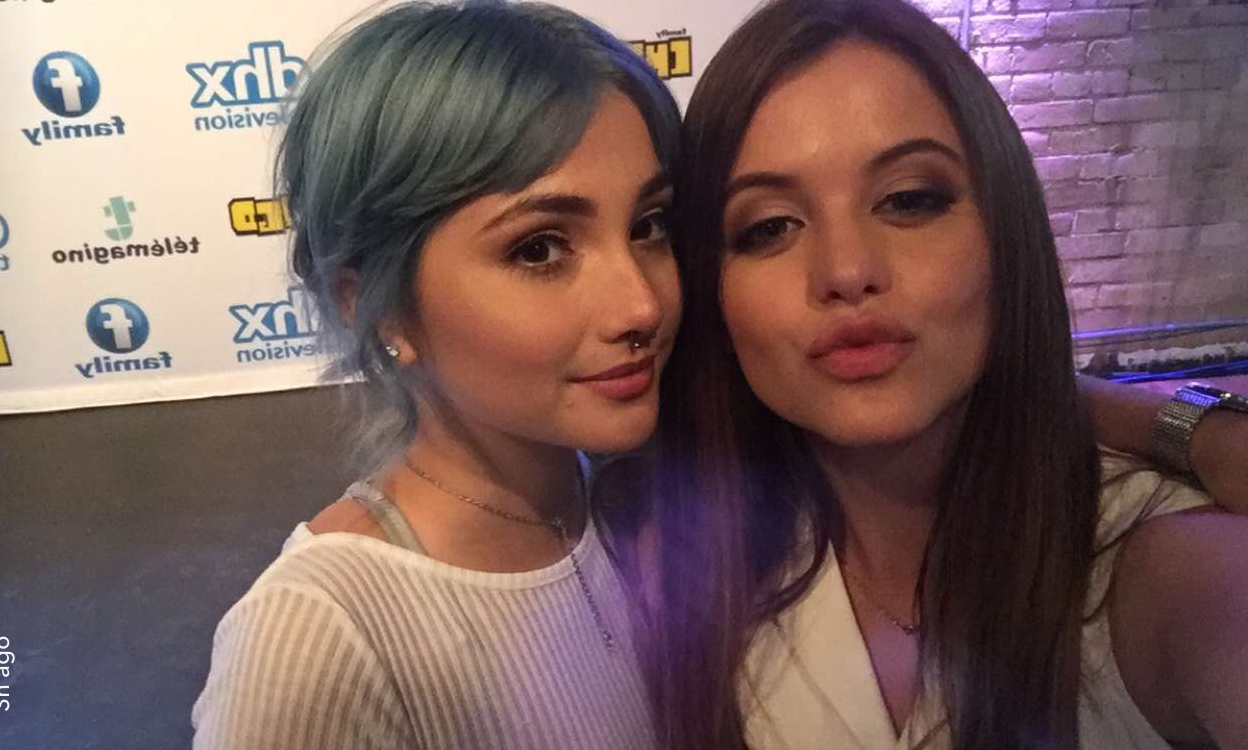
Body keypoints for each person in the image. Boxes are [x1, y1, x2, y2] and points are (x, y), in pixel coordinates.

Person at [623, 0, 1248, 748]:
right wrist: (1184, 424)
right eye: (769, 227)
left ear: (1002, 229)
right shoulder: (672, 564)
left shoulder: (1169, 569)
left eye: (909, 200)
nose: (846, 271)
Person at [190, 2, 681, 747]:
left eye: (648, 226)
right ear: (376, 306)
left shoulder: (628, 512)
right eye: (540, 249)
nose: (641, 304)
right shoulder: (320, 637)